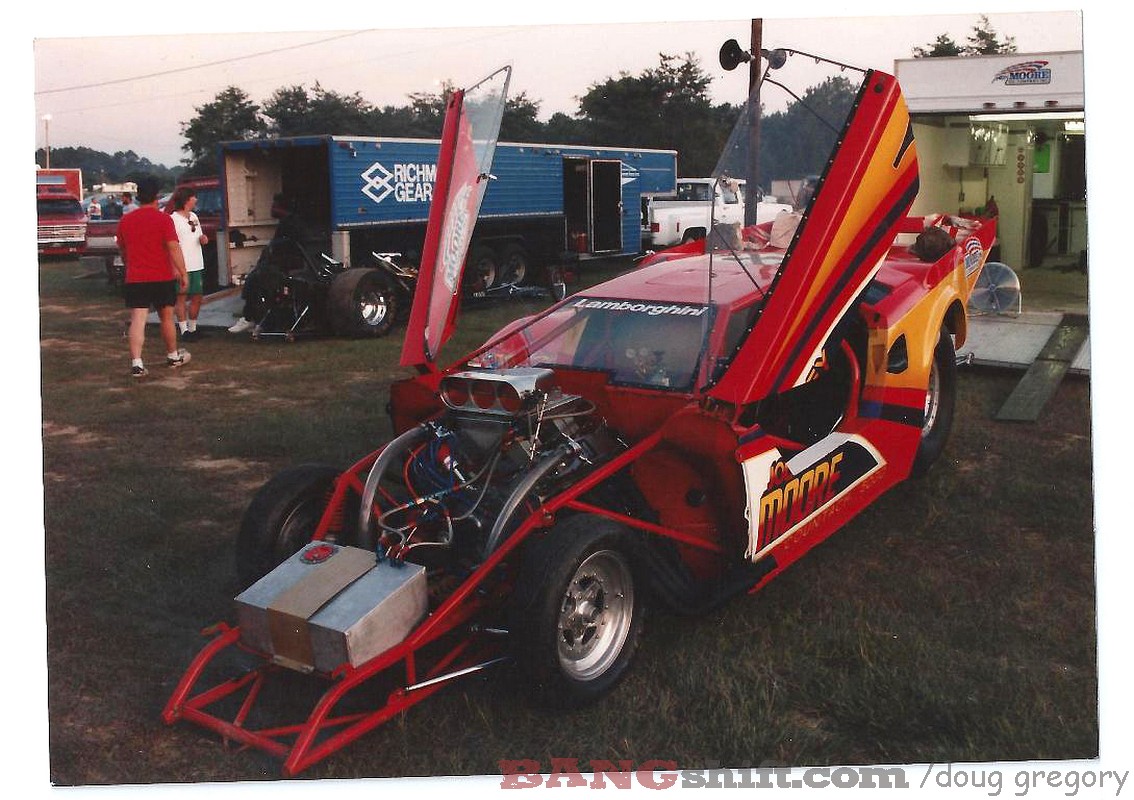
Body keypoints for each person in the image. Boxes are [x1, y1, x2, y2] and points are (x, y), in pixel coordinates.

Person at [117, 176, 190, 378]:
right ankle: (173, 356)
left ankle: (137, 363)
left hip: (136, 277)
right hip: (162, 275)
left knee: (138, 319)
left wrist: (129, 263)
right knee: (167, 317)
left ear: (138, 196)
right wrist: (183, 272)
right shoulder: (164, 219)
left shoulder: (126, 220)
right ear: (157, 196)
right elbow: (173, 248)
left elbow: (123, 250)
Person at [228, 194, 317, 333]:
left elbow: (288, 247)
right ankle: (259, 319)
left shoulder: (291, 224)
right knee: (258, 280)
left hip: (287, 265)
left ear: (280, 208)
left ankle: (249, 318)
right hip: (282, 264)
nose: (271, 209)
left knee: (255, 280)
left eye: (274, 206)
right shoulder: (287, 222)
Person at [169, 186, 209, 341]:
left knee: (197, 296)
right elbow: (171, 245)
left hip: (197, 263)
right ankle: (183, 329)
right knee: (181, 297)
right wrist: (175, 268)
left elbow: (198, 235)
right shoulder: (173, 219)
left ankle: (193, 328)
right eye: (194, 197)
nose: (196, 200)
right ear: (186, 200)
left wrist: (202, 239)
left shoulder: (193, 216)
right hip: (182, 265)